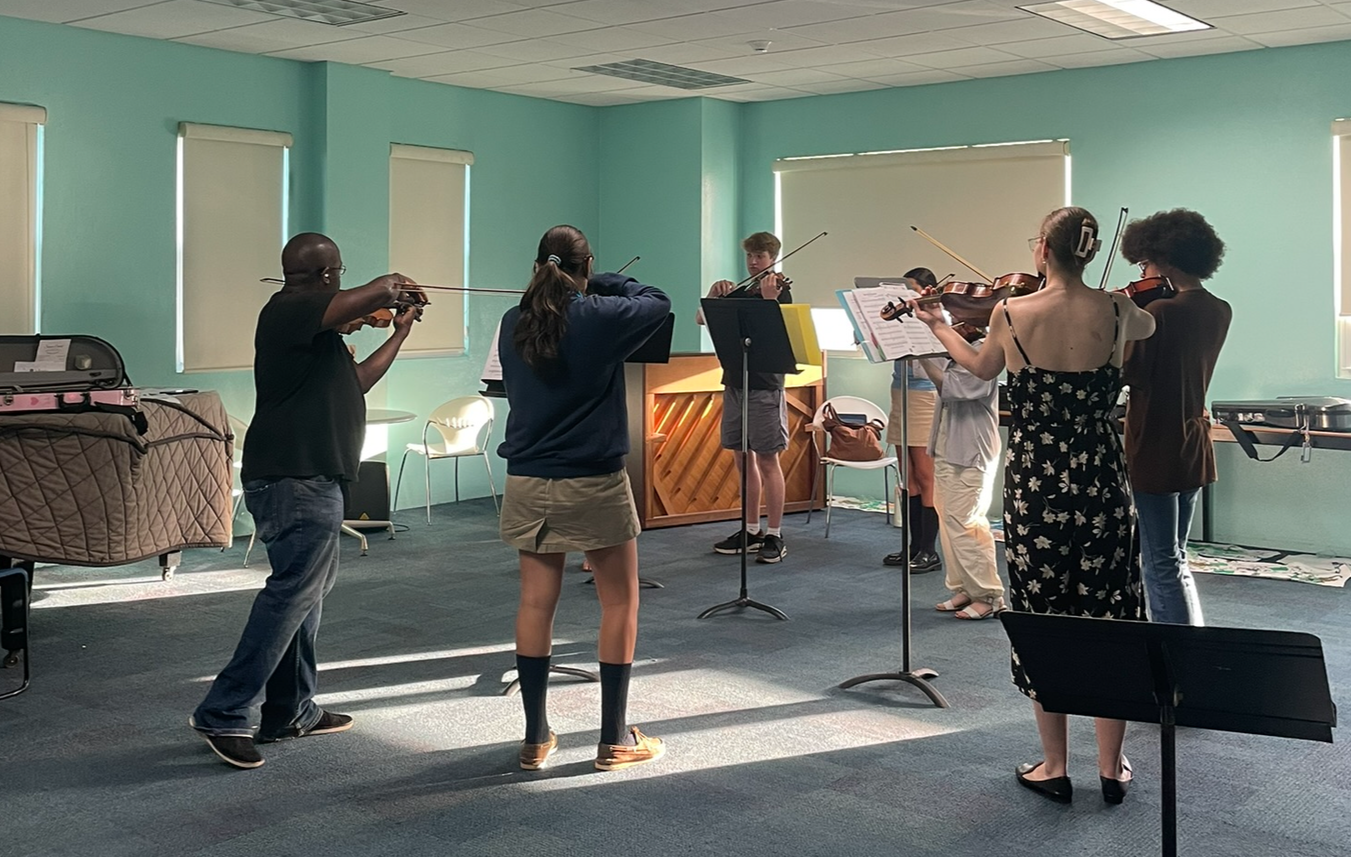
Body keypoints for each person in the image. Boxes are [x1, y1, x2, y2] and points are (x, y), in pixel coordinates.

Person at [913, 207, 1155, 805]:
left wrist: (939, 323)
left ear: (1043, 249)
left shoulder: (1010, 312)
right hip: (1101, 482)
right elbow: (1150, 323)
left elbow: (978, 366)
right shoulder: (1120, 311)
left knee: (1044, 617)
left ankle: (1055, 765)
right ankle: (1111, 767)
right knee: (1110, 616)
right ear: (1090, 251)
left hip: (1037, 487)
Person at [192, 232, 425, 770]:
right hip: (294, 479)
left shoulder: (318, 339)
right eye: (339, 273)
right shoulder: (289, 309)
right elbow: (380, 288)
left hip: (313, 477)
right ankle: (223, 711)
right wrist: (395, 287)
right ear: (327, 275)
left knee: (305, 596)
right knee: (291, 594)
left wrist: (400, 332)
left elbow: (357, 383)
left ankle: (290, 710)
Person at [497, 225, 670, 772]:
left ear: (537, 265)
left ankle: (535, 739)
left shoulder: (514, 320)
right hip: (593, 481)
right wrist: (608, 281)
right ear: (585, 266)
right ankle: (614, 739)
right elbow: (657, 301)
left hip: (528, 479)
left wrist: (582, 282)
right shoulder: (599, 316)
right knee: (619, 603)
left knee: (534, 604)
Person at [1120, 210, 1231, 626]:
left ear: (1164, 259)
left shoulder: (1161, 312)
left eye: (1145, 263)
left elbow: (1130, 372)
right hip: (1193, 441)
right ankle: (1191, 640)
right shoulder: (1220, 309)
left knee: (1159, 562)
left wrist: (1119, 327)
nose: (1142, 273)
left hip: (1156, 443)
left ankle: (1175, 650)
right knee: (1176, 556)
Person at [697, 232, 793, 564]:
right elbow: (702, 318)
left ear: (773, 258)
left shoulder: (780, 292)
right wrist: (713, 297)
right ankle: (751, 529)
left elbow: (779, 333)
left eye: (760, 256)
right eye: (750, 256)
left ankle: (775, 534)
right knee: (741, 457)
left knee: (767, 459)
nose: (753, 262)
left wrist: (769, 300)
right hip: (735, 381)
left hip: (765, 384)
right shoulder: (741, 290)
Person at [915, 309, 1005, 620]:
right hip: (948, 443)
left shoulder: (984, 350)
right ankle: (964, 586)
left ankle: (988, 595)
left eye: (959, 316)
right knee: (948, 517)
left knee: (967, 521)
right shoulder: (958, 347)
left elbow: (953, 389)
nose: (954, 322)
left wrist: (922, 355)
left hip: (971, 447)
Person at [882, 267, 942, 572]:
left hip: (924, 395)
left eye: (911, 291)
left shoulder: (935, 318)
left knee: (925, 474)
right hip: (900, 391)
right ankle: (912, 546)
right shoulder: (900, 317)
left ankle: (929, 551)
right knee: (907, 476)